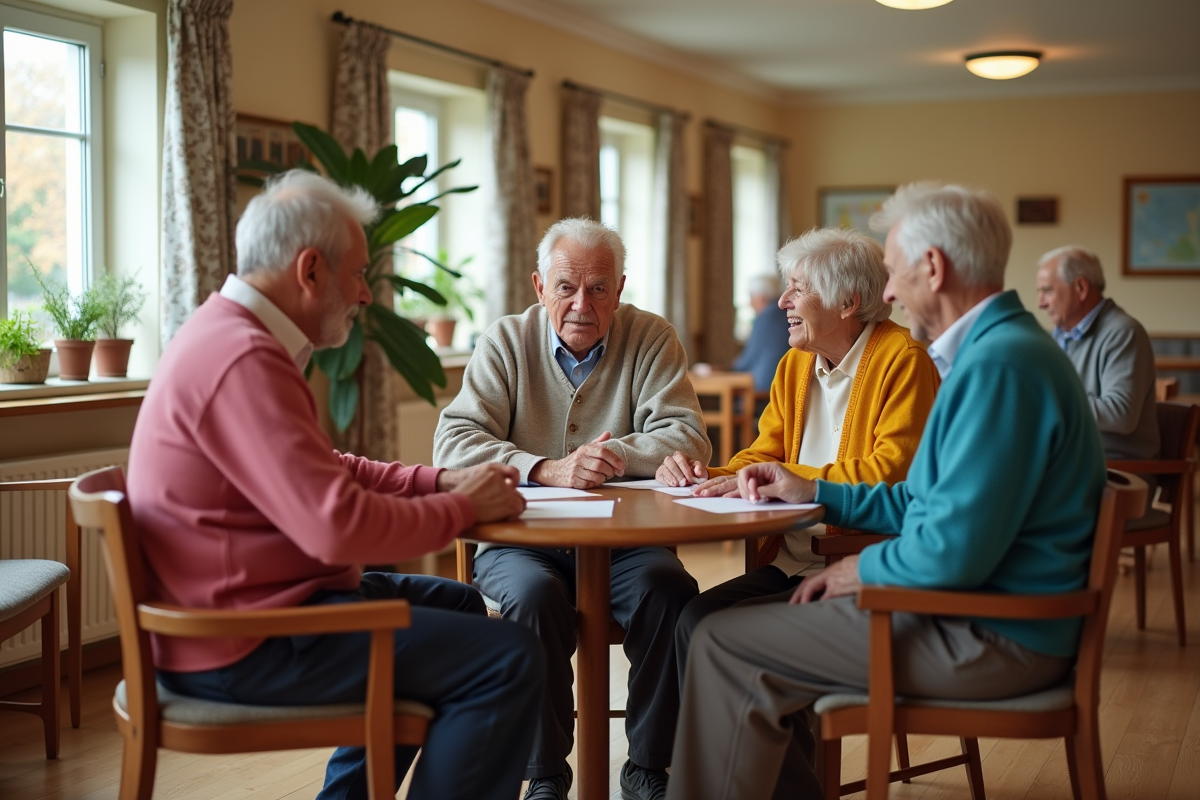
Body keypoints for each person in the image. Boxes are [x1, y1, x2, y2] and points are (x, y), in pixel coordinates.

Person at [665, 182, 1107, 800]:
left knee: (719, 643)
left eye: (895, 273)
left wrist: (862, 570)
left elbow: (954, 549)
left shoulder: (999, 367)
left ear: (934, 266)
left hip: (996, 634)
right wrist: (821, 491)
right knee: (716, 632)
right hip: (973, 611)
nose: (889, 292)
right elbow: (924, 502)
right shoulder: (1001, 352)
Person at [126, 170, 545, 800]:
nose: (366, 296)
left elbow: (328, 467)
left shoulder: (231, 334)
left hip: (253, 609)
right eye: (358, 274)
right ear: (311, 269)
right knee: (510, 657)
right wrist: (461, 508)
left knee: (457, 604)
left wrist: (439, 480)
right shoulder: (244, 359)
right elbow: (335, 526)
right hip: (243, 643)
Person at [433, 218, 709, 800]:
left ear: (621, 288)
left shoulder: (652, 337)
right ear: (539, 286)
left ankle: (648, 770)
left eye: (599, 288)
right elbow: (454, 440)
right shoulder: (504, 341)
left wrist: (609, 456)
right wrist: (547, 468)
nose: (582, 304)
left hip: (627, 546)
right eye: (566, 287)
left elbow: (686, 437)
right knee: (533, 600)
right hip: (520, 543)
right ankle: (546, 777)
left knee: (671, 592)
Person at [657, 227, 940, 670]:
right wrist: (705, 475)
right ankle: (707, 741)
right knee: (690, 617)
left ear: (847, 302)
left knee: (715, 633)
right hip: (790, 560)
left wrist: (801, 483)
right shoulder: (796, 364)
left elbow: (893, 474)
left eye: (798, 289)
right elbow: (763, 457)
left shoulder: (904, 360)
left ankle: (760, 736)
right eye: (785, 286)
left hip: (860, 566)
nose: (782, 301)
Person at [1036, 245, 1159, 461]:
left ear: (1081, 287)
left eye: (1047, 291)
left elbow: (1121, 415)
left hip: (1115, 469)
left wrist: (1044, 401)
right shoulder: (1057, 336)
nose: (1040, 304)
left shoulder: (1123, 333)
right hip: (1070, 461)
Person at [732, 273, 792, 394]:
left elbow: (745, 362)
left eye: (751, 298)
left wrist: (719, 369)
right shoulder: (788, 314)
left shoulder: (764, 318)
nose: (750, 303)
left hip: (762, 390)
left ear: (760, 298)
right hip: (785, 385)